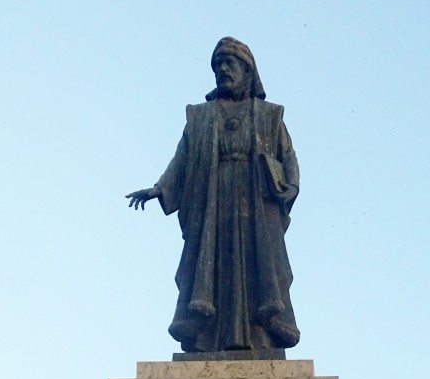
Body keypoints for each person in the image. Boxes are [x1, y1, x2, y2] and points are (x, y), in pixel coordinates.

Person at [126, 37, 300, 353]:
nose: (222, 69)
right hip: (213, 200)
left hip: (256, 202)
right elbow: (183, 157)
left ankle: (264, 330)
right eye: (218, 65)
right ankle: (205, 333)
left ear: (248, 72)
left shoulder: (270, 115)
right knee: (210, 264)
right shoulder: (200, 116)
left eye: (229, 63)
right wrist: (160, 188)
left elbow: (287, 155)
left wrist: (291, 184)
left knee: (260, 265)